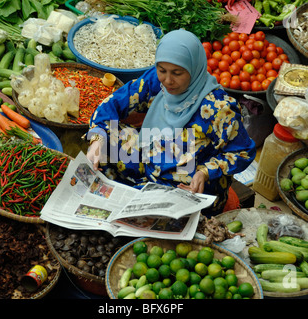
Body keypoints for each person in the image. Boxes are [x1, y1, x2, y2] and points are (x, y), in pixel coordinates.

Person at [86, 29, 256, 216]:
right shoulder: (156, 81)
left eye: (177, 73)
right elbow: (114, 102)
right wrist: (97, 139)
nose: (168, 80)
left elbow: (243, 152)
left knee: (154, 216)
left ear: (194, 68)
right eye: (162, 70)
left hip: (187, 183)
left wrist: (206, 172)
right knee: (107, 138)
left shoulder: (218, 108)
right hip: (150, 157)